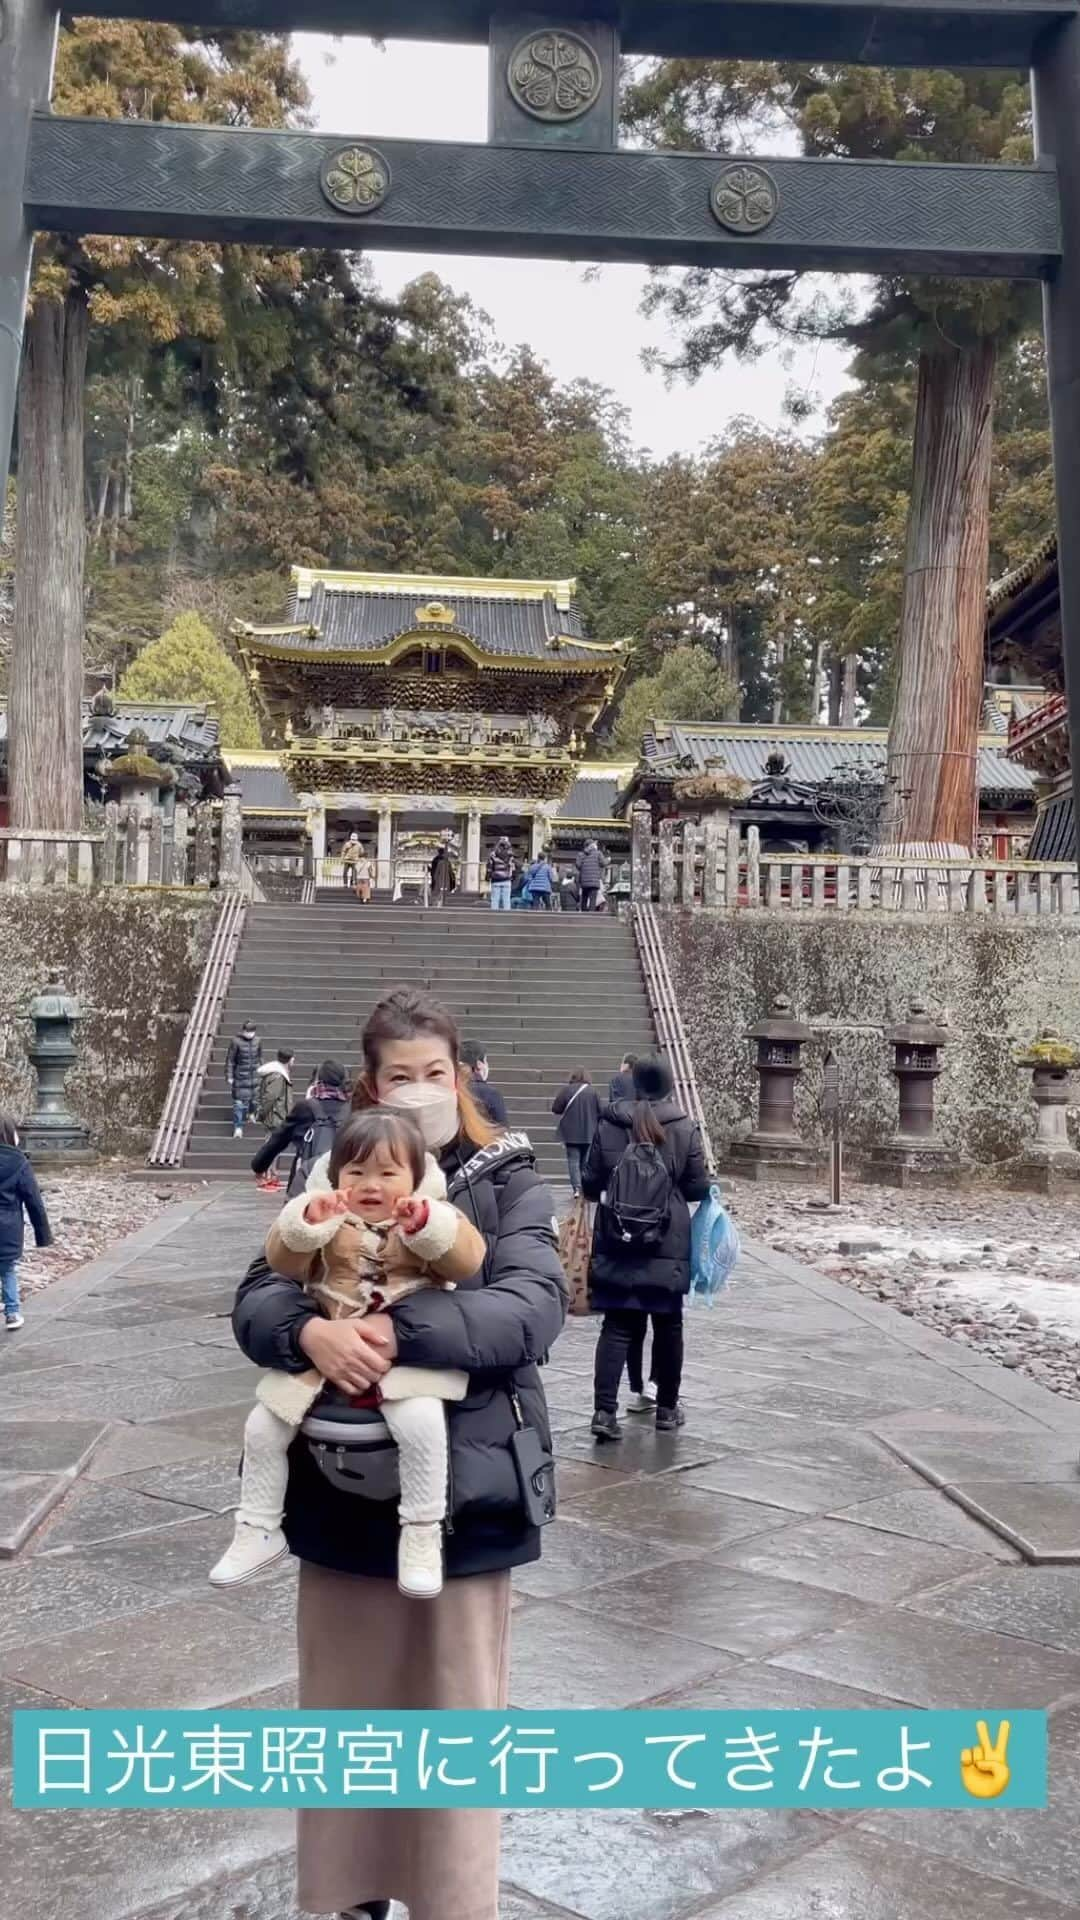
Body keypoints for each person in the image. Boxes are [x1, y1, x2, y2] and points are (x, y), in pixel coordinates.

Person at [232, 986, 566, 1920]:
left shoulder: (506, 1177)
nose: (418, 1090)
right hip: (339, 1475)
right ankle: (346, 1896)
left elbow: (532, 1306)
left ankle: (455, 1902)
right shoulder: (335, 1171)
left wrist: (397, 1327)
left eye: (435, 1074)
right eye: (398, 1076)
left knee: (458, 1711)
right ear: (368, 1084)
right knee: (344, 1704)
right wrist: (308, 1336)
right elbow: (260, 1290)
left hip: (472, 1481)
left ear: (459, 1076)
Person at [211, 1107, 487, 1597]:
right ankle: (257, 1527)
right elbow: (281, 1261)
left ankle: (421, 1533)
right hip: (325, 1352)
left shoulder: (433, 1216)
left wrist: (426, 1224)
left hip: (402, 1358)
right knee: (262, 1425)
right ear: (337, 1175)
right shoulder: (329, 1219)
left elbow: (466, 1260)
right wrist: (306, 1224)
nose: (371, 1184)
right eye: (356, 1171)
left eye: (388, 1173)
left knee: (421, 1424)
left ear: (416, 1178)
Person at [582, 1055, 709, 1441]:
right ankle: (667, 1410)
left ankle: (604, 1413)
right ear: (670, 1085)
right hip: (667, 1240)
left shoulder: (610, 1123)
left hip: (618, 1238)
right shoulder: (684, 1127)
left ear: (635, 1083)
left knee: (617, 1326)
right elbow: (696, 1187)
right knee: (669, 1325)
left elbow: (590, 1183)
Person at [251, 1058, 350, 1195]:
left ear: (319, 1080)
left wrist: (259, 1165)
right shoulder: (354, 1109)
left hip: (306, 1179)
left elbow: (278, 1139)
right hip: (345, 1181)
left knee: (296, 1212)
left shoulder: (305, 1108)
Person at [0, 1115, 52, 1330]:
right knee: (8, 1270)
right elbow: (33, 1200)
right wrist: (43, 1235)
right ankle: (12, 1313)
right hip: (8, 1229)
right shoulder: (19, 1162)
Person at [551, 1068, 600, 1196]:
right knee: (585, 1162)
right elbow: (601, 1110)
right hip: (589, 1132)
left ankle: (577, 1189)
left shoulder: (567, 1090)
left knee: (573, 1160)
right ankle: (584, 1186)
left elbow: (556, 1108)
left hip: (571, 1132)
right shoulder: (593, 1091)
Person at [226, 1020, 262, 1138]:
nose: (250, 1033)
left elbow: (260, 1056)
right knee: (239, 1103)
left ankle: (251, 1113)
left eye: (251, 1031)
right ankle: (238, 1127)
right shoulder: (236, 1042)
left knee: (254, 1100)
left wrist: (262, 1070)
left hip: (255, 1076)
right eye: (248, 1031)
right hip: (240, 1076)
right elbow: (230, 1060)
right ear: (243, 1031)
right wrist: (229, 1075)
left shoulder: (258, 1041)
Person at [461, 1040, 508, 1127]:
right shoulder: (490, 1094)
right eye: (486, 1061)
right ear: (479, 1064)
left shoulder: (450, 1090)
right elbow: (502, 1131)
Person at [255, 1050, 294, 1132]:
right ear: (290, 1060)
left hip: (277, 1118)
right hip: (276, 1119)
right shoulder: (278, 1076)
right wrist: (262, 1114)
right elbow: (270, 1097)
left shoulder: (278, 1074)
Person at [576, 838, 606, 912]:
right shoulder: (598, 853)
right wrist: (608, 860)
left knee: (584, 898)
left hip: (584, 881)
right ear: (593, 845)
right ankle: (591, 915)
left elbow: (578, 866)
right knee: (593, 900)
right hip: (594, 881)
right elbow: (603, 864)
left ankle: (583, 913)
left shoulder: (581, 855)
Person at [487, 835, 514, 911]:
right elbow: (513, 866)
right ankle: (507, 918)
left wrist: (488, 877)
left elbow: (489, 867)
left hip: (495, 879)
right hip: (507, 879)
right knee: (506, 899)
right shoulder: (510, 855)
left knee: (495, 899)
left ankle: (494, 917)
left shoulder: (493, 855)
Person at [429, 838, 456, 908]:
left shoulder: (436, 859)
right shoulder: (447, 862)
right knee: (444, 893)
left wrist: (434, 879)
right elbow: (451, 872)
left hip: (438, 880)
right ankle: (442, 904)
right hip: (445, 880)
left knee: (437, 892)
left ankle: (436, 903)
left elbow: (434, 871)